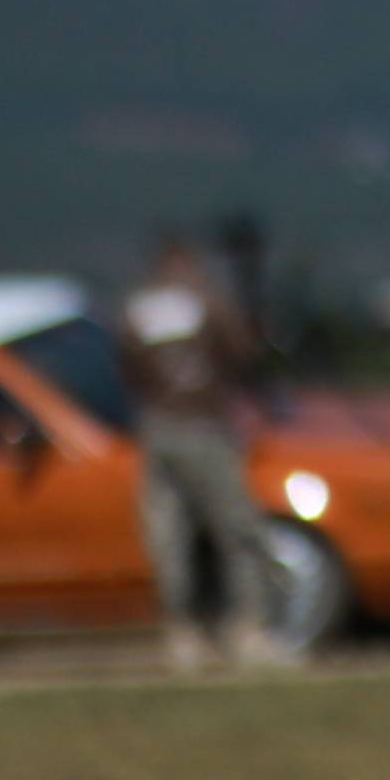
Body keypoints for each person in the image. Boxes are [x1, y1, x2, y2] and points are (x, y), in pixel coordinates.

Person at [118, 227, 266, 670]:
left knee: (170, 536)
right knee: (236, 528)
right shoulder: (206, 302)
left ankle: (181, 634)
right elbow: (240, 352)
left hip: (157, 427)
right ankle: (248, 629)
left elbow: (128, 368)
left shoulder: (137, 311)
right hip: (204, 426)